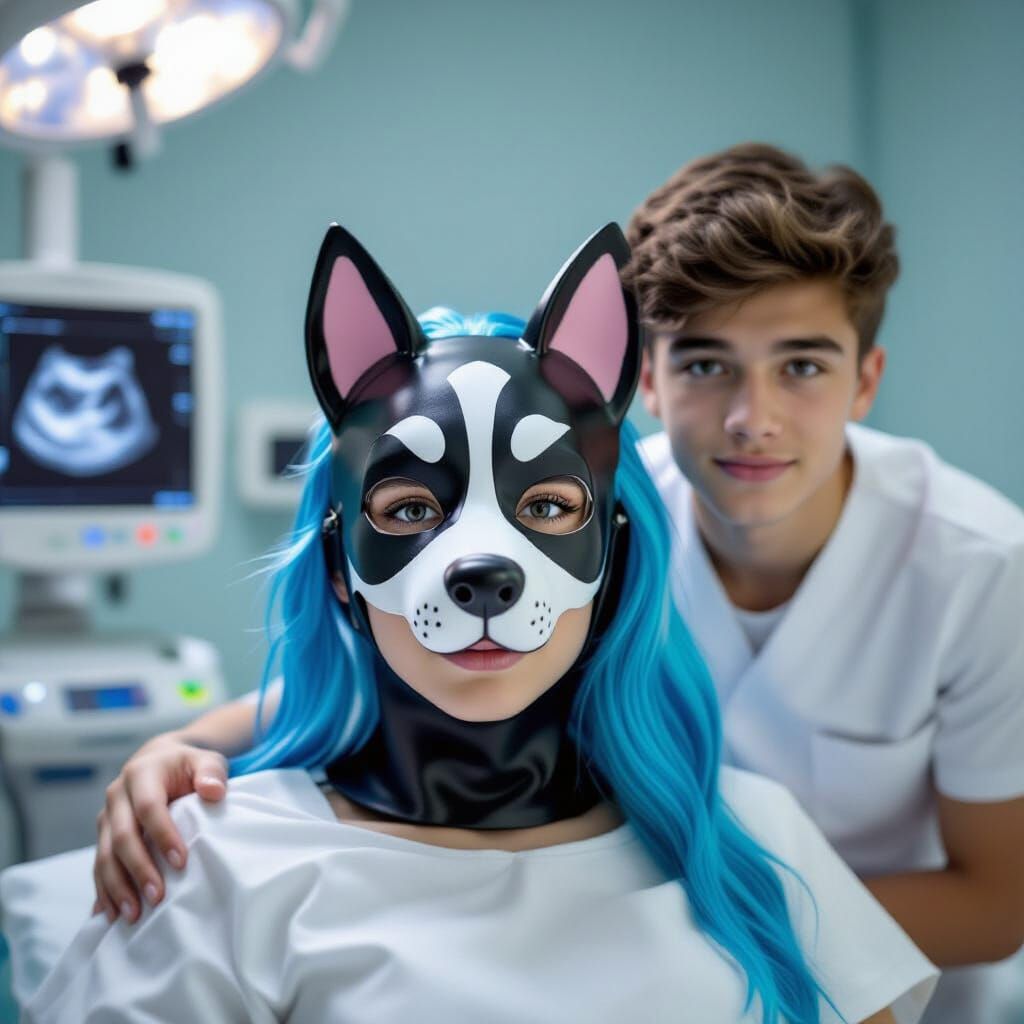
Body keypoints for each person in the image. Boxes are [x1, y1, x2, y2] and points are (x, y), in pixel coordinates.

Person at [28, 223, 935, 1023]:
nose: (481, 569)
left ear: (614, 557)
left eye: (546, 507)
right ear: (340, 568)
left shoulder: (752, 842)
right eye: (410, 510)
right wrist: (178, 744)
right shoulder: (210, 866)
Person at [623, 143, 1024, 1021]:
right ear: (649, 379)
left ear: (865, 382)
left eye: (801, 366)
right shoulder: (599, 530)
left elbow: (997, 905)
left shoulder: (983, 567)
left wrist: (698, 934)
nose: (752, 419)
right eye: (705, 364)